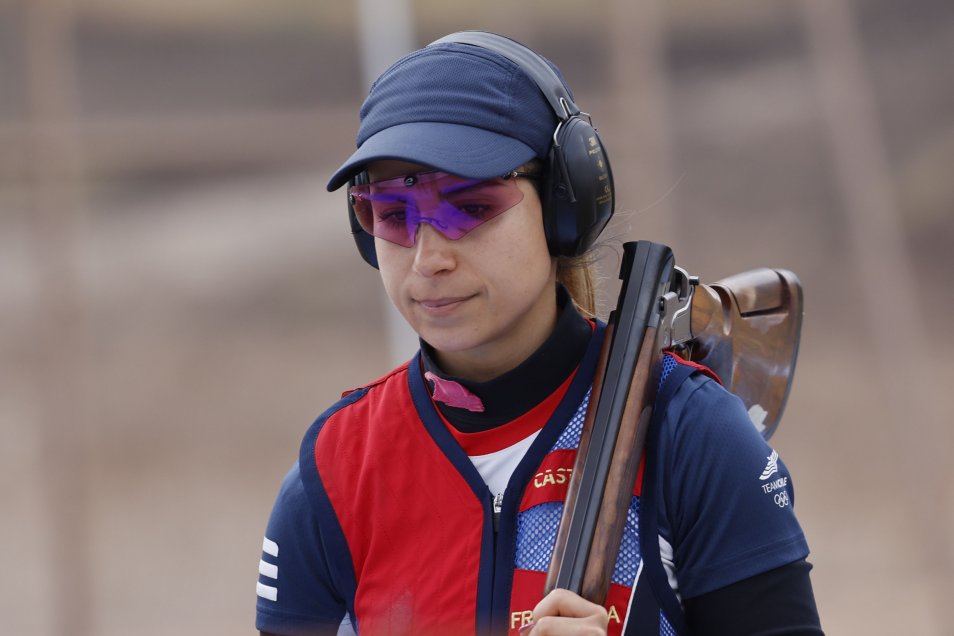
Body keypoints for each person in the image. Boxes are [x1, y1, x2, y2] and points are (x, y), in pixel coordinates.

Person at [255, 31, 823, 636]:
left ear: (562, 207)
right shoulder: (339, 464)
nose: (428, 259)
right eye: (394, 215)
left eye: (470, 207)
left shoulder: (690, 433)